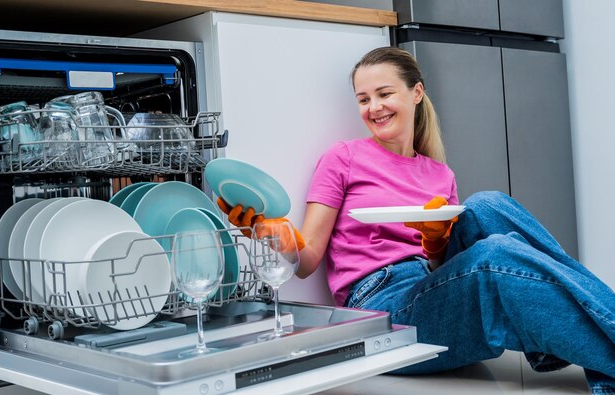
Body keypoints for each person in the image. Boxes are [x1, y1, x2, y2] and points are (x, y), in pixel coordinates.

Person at [217, 46, 615, 393]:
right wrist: (271, 233)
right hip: (381, 307)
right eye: (363, 98)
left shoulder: (439, 174)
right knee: (495, 257)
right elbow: (307, 262)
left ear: (416, 93)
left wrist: (437, 244)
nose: (373, 107)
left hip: (430, 285)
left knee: (487, 205)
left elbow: (444, 269)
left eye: (384, 93)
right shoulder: (344, 157)